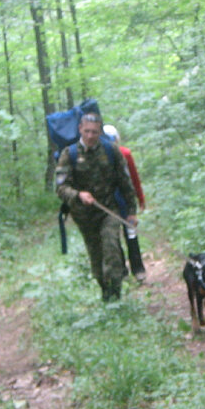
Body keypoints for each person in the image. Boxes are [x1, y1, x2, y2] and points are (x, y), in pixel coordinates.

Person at [55, 112, 139, 301]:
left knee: (111, 248)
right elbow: (60, 188)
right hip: (84, 216)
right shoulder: (69, 155)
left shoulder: (111, 151)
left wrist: (132, 212)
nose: (91, 136)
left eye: (94, 132)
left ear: (100, 131)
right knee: (96, 256)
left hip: (109, 210)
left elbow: (126, 183)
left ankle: (116, 295)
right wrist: (78, 194)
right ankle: (104, 290)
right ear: (80, 130)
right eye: (87, 131)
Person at [102, 125, 147, 281]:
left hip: (116, 202)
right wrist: (140, 198)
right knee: (129, 235)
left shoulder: (121, 154)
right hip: (121, 202)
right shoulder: (124, 152)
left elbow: (132, 177)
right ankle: (138, 270)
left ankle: (126, 272)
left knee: (117, 237)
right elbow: (134, 178)